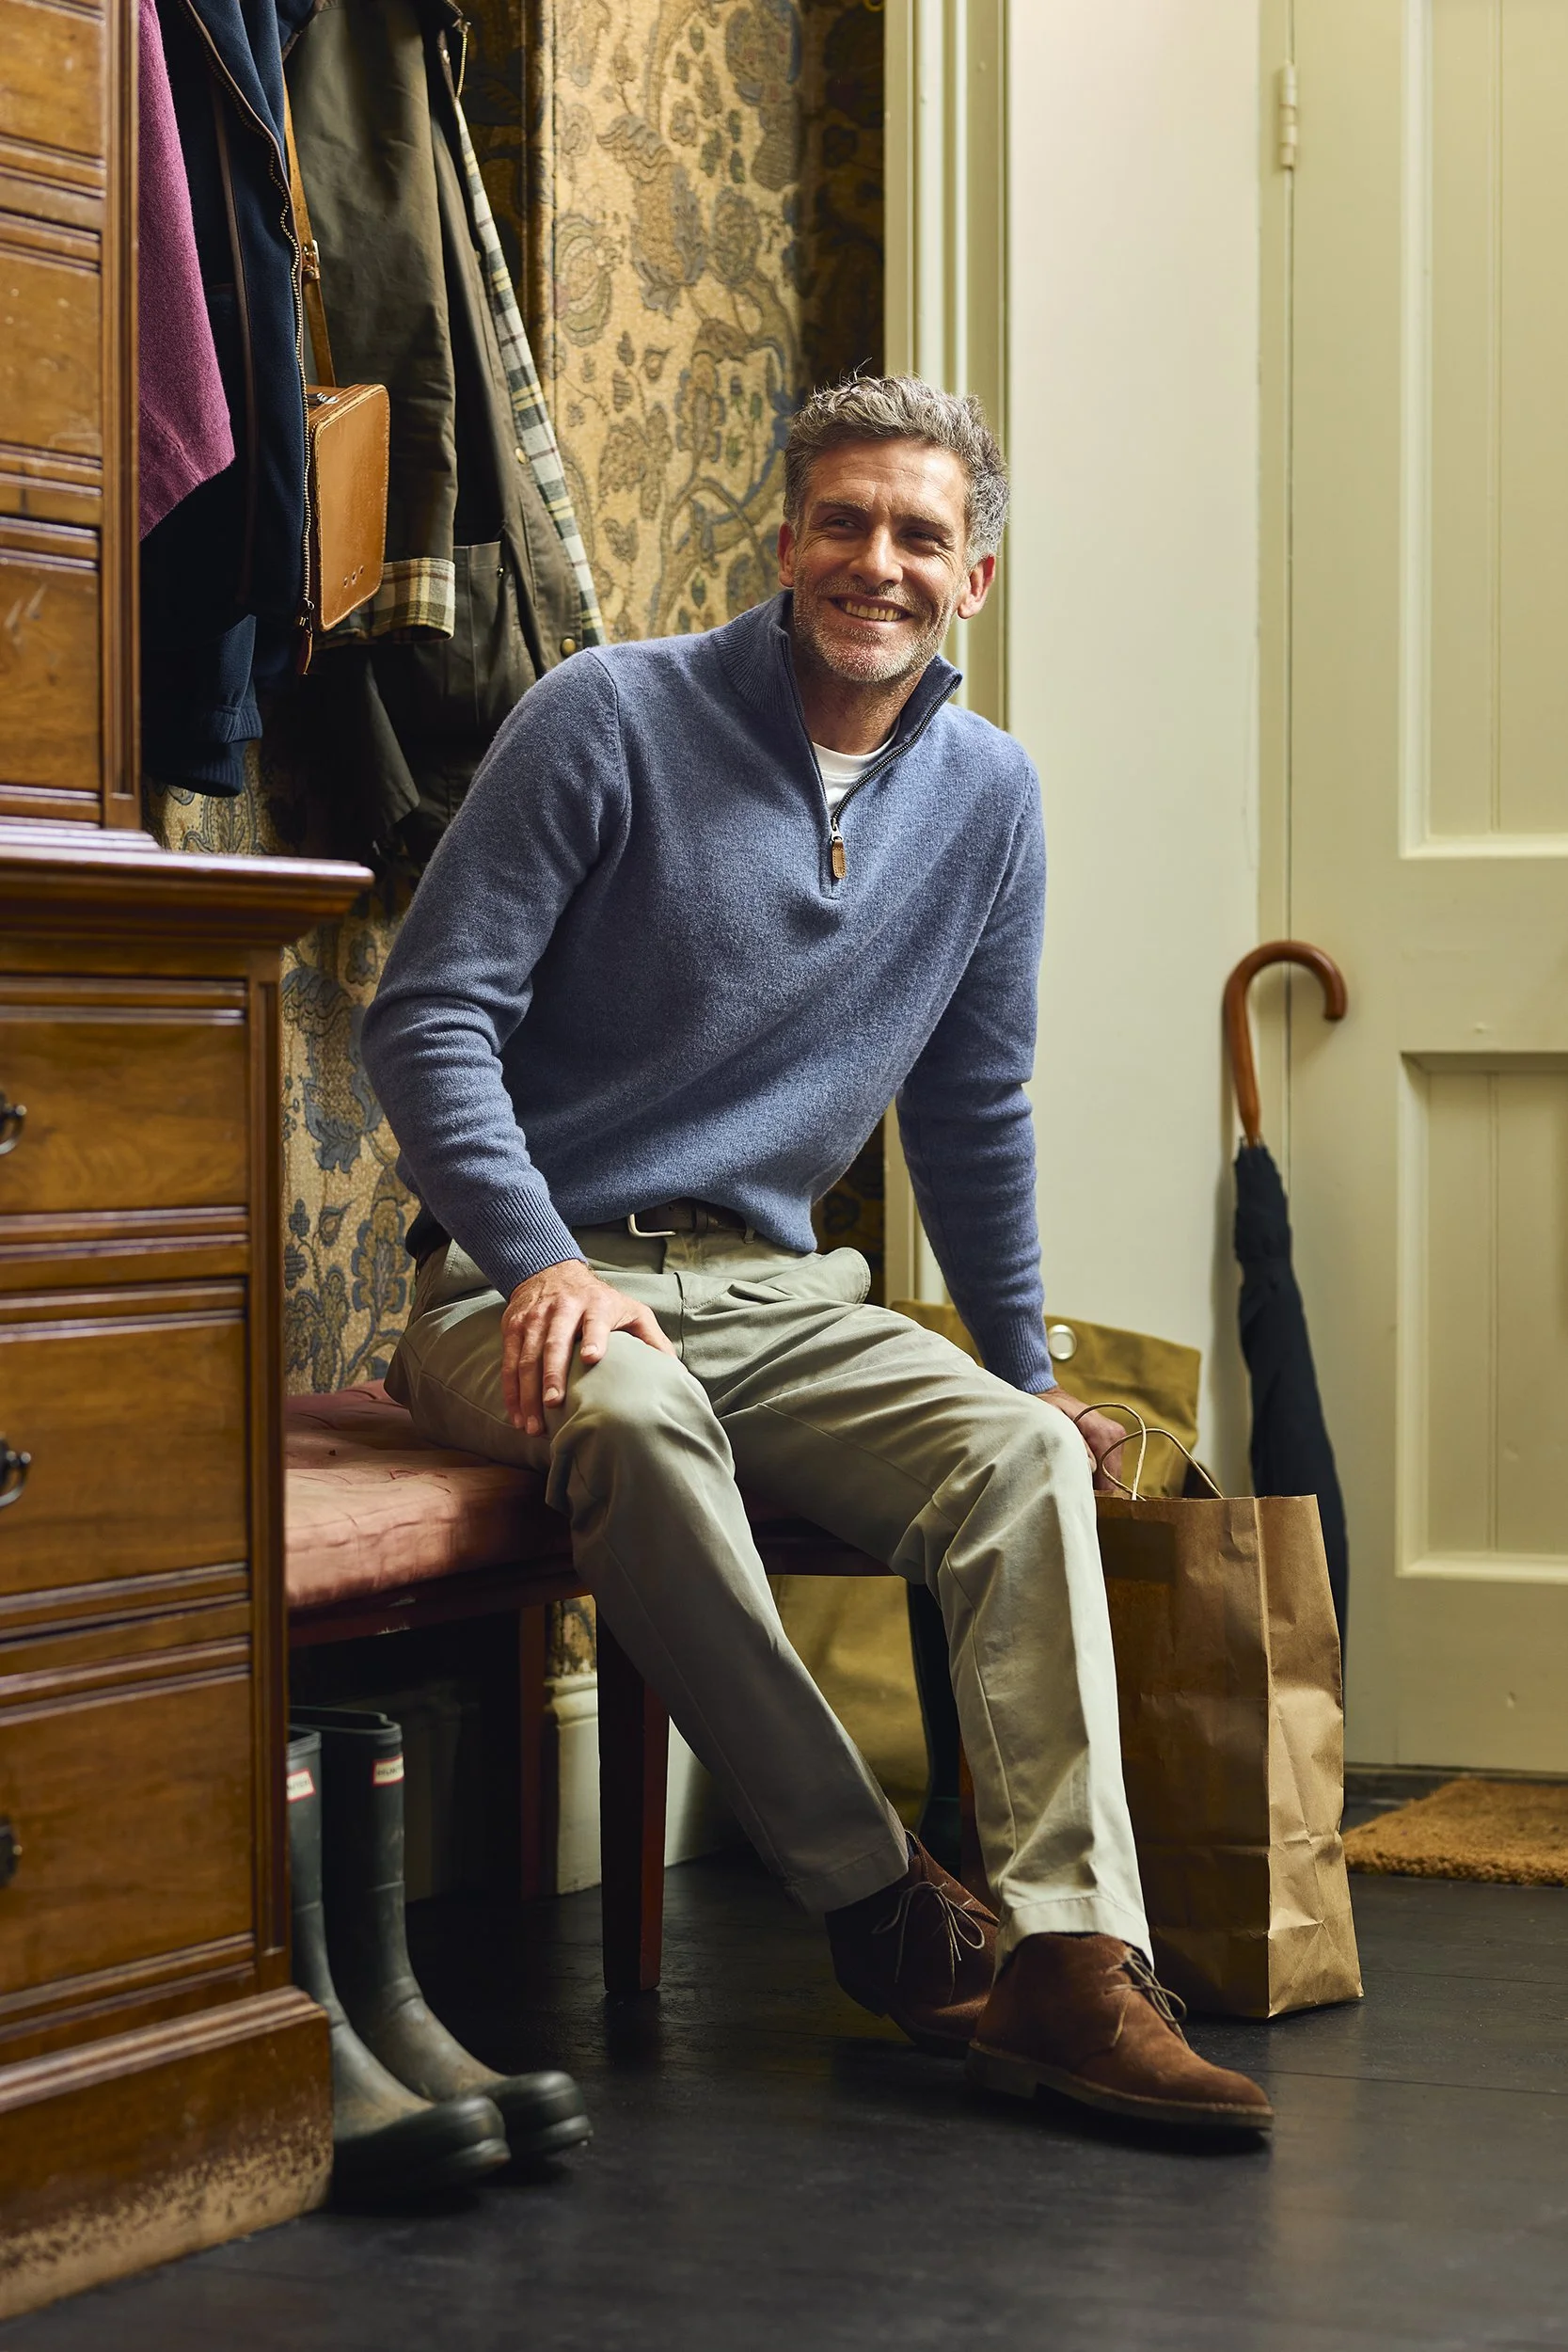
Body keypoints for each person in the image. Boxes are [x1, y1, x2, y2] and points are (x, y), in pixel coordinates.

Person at [361, 376, 1271, 2135]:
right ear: (781, 544)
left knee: (1019, 1463)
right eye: (840, 521)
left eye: (918, 533)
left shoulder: (989, 796)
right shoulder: (603, 717)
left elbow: (973, 1105)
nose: (877, 561)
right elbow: (427, 1022)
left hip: (776, 1290)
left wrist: (1027, 1367)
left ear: (975, 576)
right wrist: (543, 1258)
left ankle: (1080, 1966)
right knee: (631, 1424)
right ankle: (884, 1909)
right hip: (518, 1286)